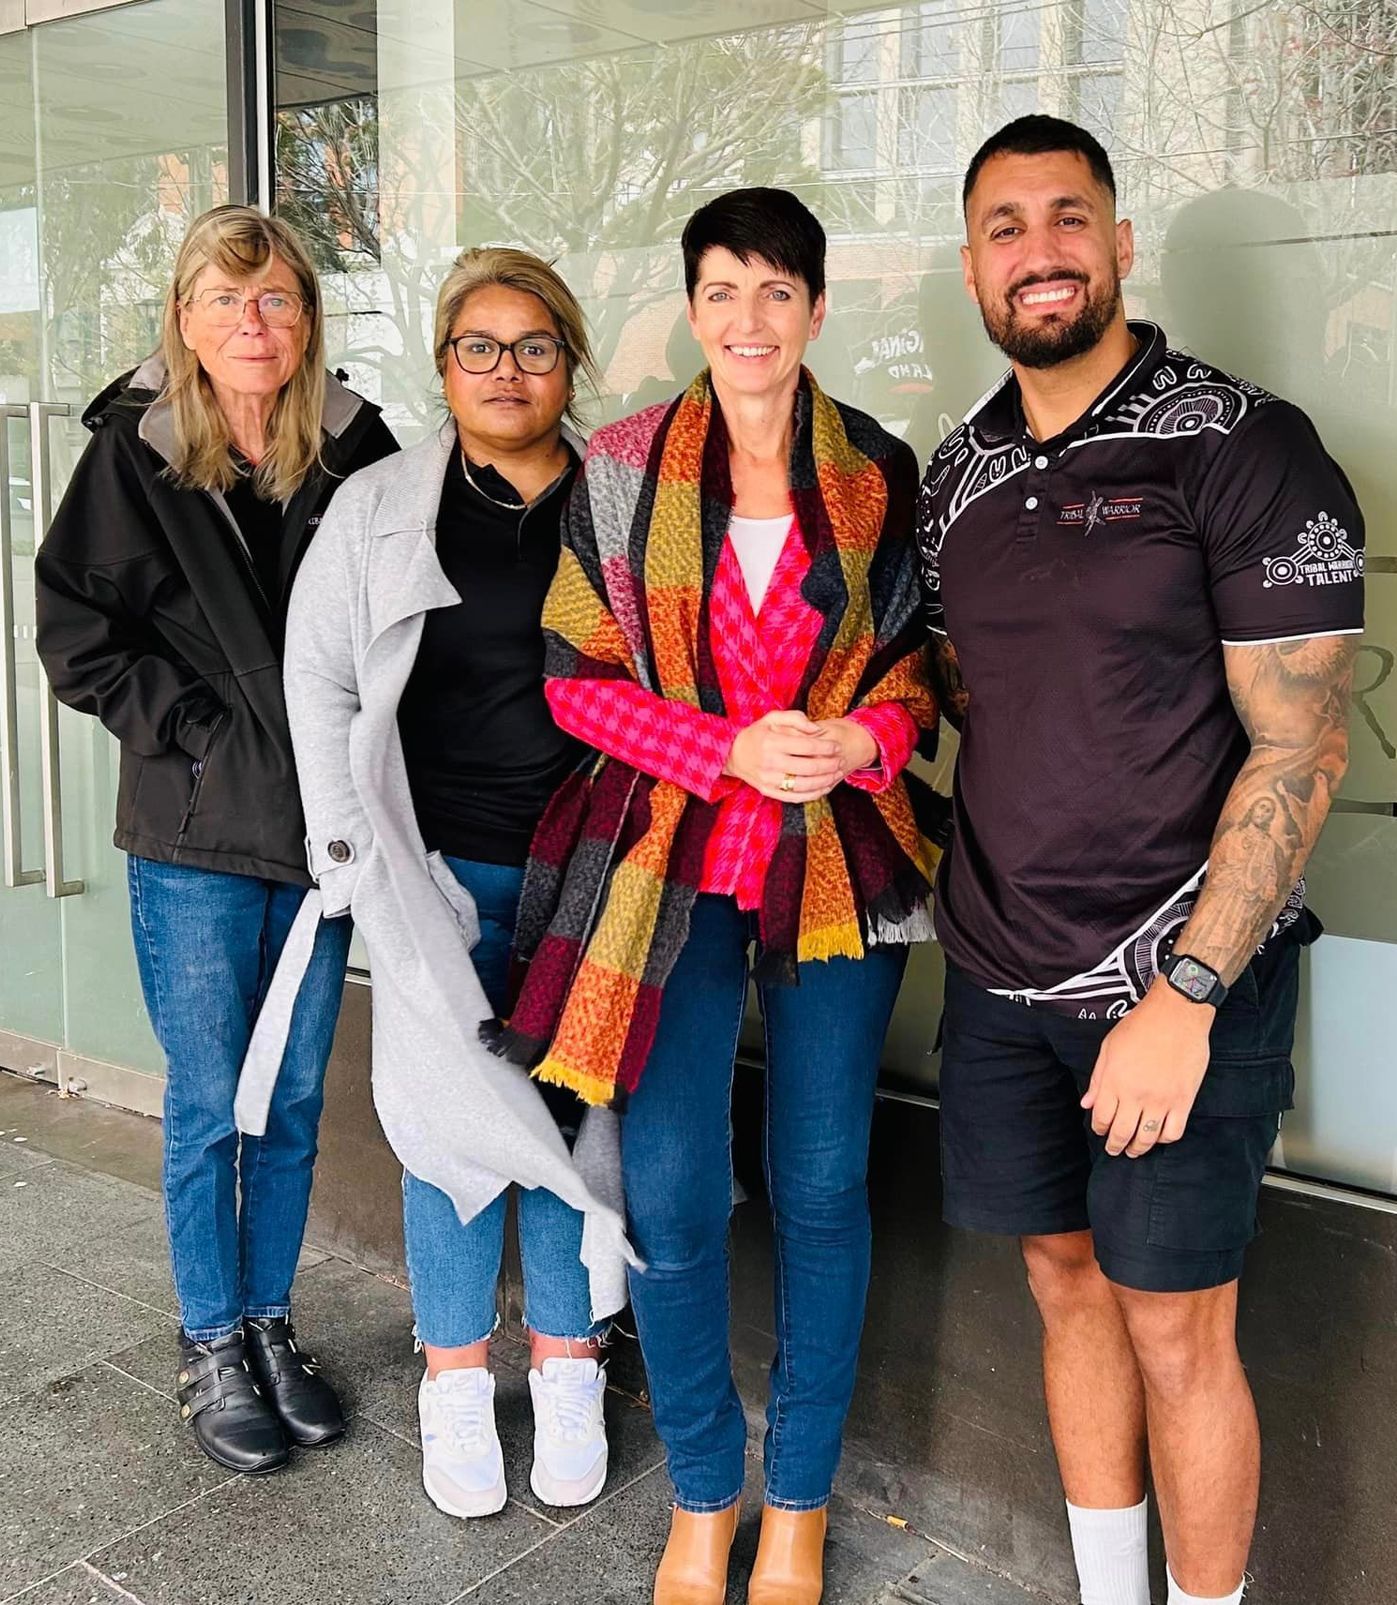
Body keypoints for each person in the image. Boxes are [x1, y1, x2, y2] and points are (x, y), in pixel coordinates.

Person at [916, 116, 1363, 1605]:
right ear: (972, 262)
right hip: (995, 976)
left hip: (1182, 980)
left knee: (1178, 1325)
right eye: (1002, 225)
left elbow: (1302, 749)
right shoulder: (954, 476)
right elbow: (971, 698)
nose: (1035, 250)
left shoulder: (1245, 443)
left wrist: (1184, 993)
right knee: (1060, 1288)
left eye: (1065, 217)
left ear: (1117, 242)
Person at [489, 188, 944, 1605]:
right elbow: (573, 675)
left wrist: (866, 736)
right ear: (692, 310)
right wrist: (721, 746)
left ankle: (796, 1500)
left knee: (819, 1187)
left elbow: (923, 662)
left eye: (777, 293)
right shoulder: (620, 469)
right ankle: (703, 1491)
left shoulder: (874, 467)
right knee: (677, 1198)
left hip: (836, 871)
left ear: (815, 309)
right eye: (722, 293)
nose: (748, 321)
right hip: (666, 871)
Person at [259, 247, 635, 1520]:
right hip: (433, 870)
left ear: (567, 360)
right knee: (444, 1132)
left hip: (590, 874)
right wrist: (349, 855)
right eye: (478, 347)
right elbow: (318, 677)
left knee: (577, 1128)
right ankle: (457, 1382)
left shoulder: (623, 501)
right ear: (443, 364)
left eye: (533, 346)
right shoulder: (376, 506)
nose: (506, 370)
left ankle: (572, 1367)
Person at [35, 205, 399, 1474]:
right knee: (207, 1108)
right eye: (225, 301)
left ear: (307, 320)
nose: (253, 324)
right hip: (193, 832)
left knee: (292, 1099)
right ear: (184, 321)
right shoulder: (135, 458)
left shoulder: (356, 452)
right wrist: (191, 731)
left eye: (277, 300)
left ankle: (267, 1321)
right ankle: (208, 1341)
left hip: (321, 841)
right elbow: (76, 631)